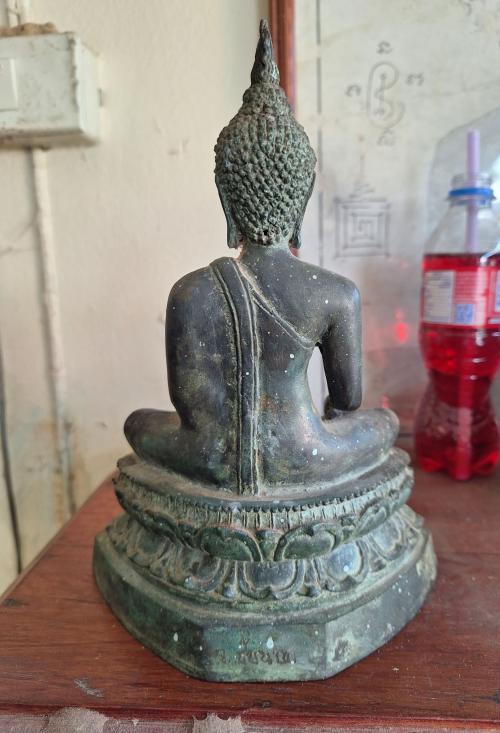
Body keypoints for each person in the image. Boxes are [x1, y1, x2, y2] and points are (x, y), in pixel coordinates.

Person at [124, 21, 398, 495]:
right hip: (306, 454)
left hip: (208, 458)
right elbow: (348, 401)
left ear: (226, 201)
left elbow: (187, 404)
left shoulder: (189, 292)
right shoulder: (335, 294)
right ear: (303, 200)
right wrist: (328, 426)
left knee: (137, 423)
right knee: (384, 423)